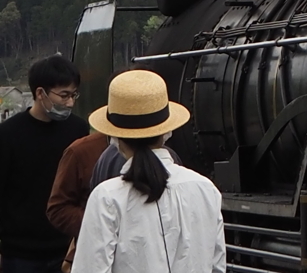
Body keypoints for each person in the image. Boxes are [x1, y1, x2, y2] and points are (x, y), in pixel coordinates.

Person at [74, 70, 225, 273]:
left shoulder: (107, 197)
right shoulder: (206, 189)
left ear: (116, 138)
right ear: (166, 132)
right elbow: (217, 266)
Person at [0, 55, 89, 273]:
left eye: (73, 95)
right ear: (40, 93)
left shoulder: (78, 130)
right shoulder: (9, 134)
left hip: (66, 248)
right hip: (20, 254)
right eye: (64, 95)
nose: (70, 102)